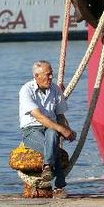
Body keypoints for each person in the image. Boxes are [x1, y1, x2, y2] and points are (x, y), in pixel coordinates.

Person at [19, 60, 76, 197]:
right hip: (31, 130)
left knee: (52, 134)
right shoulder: (26, 90)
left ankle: (47, 167)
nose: (51, 77)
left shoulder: (55, 89)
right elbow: (39, 117)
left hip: (51, 129)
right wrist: (62, 130)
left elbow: (60, 115)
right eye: (48, 74)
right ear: (37, 76)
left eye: (52, 74)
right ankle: (59, 186)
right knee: (51, 144)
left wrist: (68, 130)